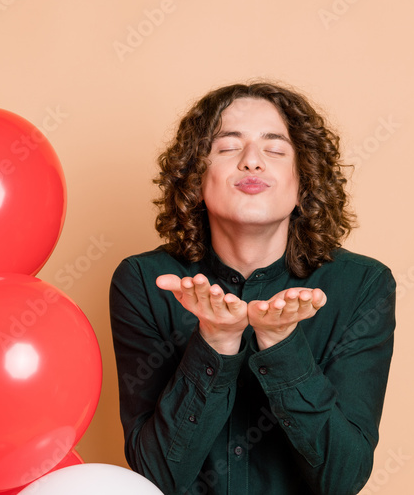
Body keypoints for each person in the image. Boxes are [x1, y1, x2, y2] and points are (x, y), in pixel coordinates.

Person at [109, 81, 396, 495]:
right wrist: (216, 342)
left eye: (275, 149)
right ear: (196, 176)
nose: (252, 162)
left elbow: (343, 477)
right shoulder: (143, 281)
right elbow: (156, 477)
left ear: (303, 179)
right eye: (227, 147)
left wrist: (281, 346)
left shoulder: (363, 286)